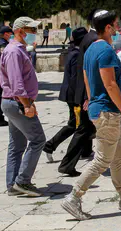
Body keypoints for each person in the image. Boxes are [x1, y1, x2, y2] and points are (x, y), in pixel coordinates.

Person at [61, 11, 121, 220]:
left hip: (99, 108)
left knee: (118, 157)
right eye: (116, 25)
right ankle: (73, 197)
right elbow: (110, 84)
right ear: (108, 28)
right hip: (108, 111)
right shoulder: (107, 51)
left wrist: (91, 99)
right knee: (102, 159)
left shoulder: (91, 48)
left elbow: (85, 75)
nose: (118, 29)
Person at [0, 16, 47, 196]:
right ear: (20, 31)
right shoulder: (13, 52)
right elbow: (16, 83)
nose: (34, 34)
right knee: (38, 140)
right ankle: (22, 181)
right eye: (32, 30)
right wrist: (27, 105)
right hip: (17, 102)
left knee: (17, 144)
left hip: (15, 102)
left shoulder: (19, 50)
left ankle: (13, 184)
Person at [44, 27, 94, 176]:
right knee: (77, 125)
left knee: (82, 124)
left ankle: (85, 151)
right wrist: (80, 99)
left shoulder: (75, 52)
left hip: (73, 95)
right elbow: (75, 79)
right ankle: (50, 145)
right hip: (74, 96)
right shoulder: (76, 54)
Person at [0, 26, 13, 127]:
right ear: (6, 34)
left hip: (0, 73)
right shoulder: (2, 45)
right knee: (0, 96)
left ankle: (0, 118)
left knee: (1, 96)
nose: (11, 35)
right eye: (10, 33)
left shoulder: (1, 43)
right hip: (1, 73)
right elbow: (4, 59)